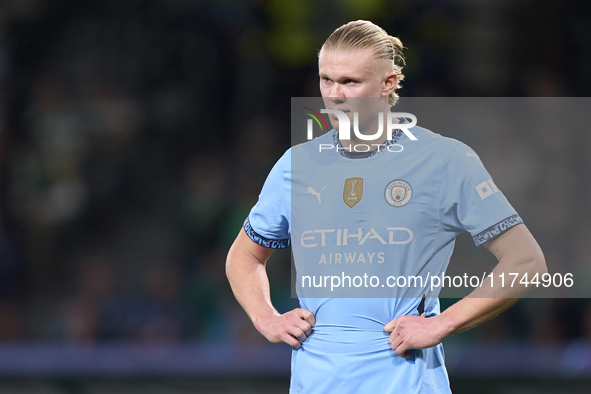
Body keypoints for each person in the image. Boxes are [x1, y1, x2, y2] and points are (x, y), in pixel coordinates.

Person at [226, 20, 546, 393]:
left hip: (405, 380)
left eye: (350, 82)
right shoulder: (295, 165)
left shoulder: (444, 160)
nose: (334, 95)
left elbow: (526, 261)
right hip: (316, 382)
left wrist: (443, 324)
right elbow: (244, 255)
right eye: (326, 79)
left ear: (388, 83)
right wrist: (266, 318)